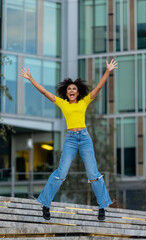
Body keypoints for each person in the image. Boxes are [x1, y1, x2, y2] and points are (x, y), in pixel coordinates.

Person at [20, 59, 118, 221]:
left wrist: (107, 71)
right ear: (66, 93)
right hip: (71, 140)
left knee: (93, 173)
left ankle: (102, 206)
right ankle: (45, 203)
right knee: (61, 172)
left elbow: (99, 88)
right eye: (69, 89)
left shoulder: (84, 101)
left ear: (78, 92)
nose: (72, 90)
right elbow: (45, 92)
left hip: (85, 138)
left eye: (74, 89)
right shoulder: (62, 103)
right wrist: (30, 79)